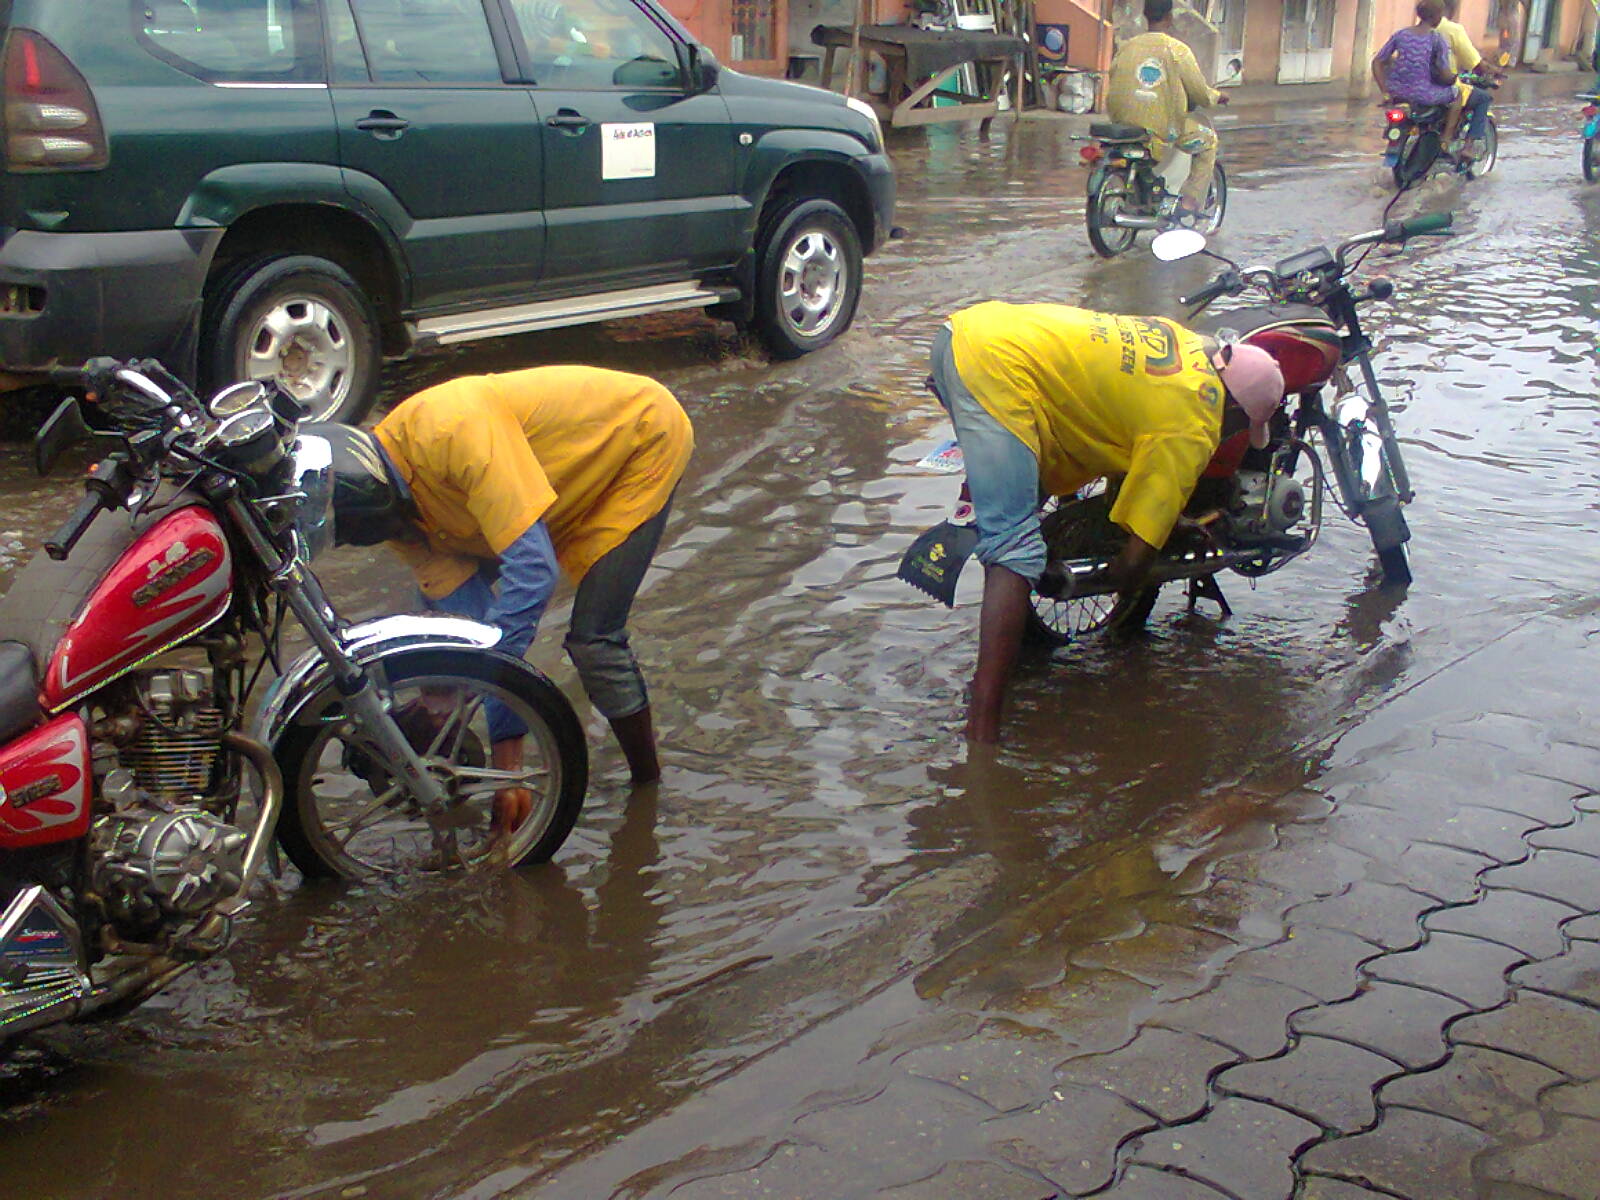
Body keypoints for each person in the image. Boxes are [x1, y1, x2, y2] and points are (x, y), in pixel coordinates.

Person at [316, 366, 694, 825]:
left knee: (594, 641)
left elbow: (533, 575)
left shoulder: (454, 429)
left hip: (637, 443)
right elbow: (470, 625)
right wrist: (441, 698)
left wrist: (507, 756)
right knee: (460, 651)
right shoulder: (392, 516)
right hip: (549, 485)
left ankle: (648, 792)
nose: (397, 538)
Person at [928, 302, 1284, 744]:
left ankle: (1013, 661)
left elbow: (1129, 419)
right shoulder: (1196, 422)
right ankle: (983, 736)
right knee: (1014, 549)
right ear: (1234, 411)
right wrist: (1125, 568)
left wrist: (1168, 520)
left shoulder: (1187, 344)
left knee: (1019, 498)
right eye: (1237, 427)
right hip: (997, 367)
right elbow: (1134, 563)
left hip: (964, 331)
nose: (1229, 434)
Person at [1105, 0, 1230, 221]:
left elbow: (1114, 79)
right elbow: (1199, 91)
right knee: (1208, 141)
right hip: (1161, 128)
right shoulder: (1177, 50)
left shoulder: (1126, 47)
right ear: (1170, 17)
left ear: (1145, 16)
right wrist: (1217, 96)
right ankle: (1189, 201)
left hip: (1122, 124)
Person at [1372, 1, 1465, 151]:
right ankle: (1446, 139)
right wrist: (1454, 78)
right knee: (1457, 94)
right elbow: (1444, 73)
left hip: (1396, 93)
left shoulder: (1400, 35)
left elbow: (1377, 62)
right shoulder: (1437, 39)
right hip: (1423, 94)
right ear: (1436, 17)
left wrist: (1385, 91)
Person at [1439, 0, 1496, 164]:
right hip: (1443, 88)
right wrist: (1492, 71)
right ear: (1451, 9)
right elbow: (1475, 63)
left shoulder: (1410, 33)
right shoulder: (1453, 30)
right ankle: (1468, 146)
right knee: (1483, 98)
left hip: (1411, 89)